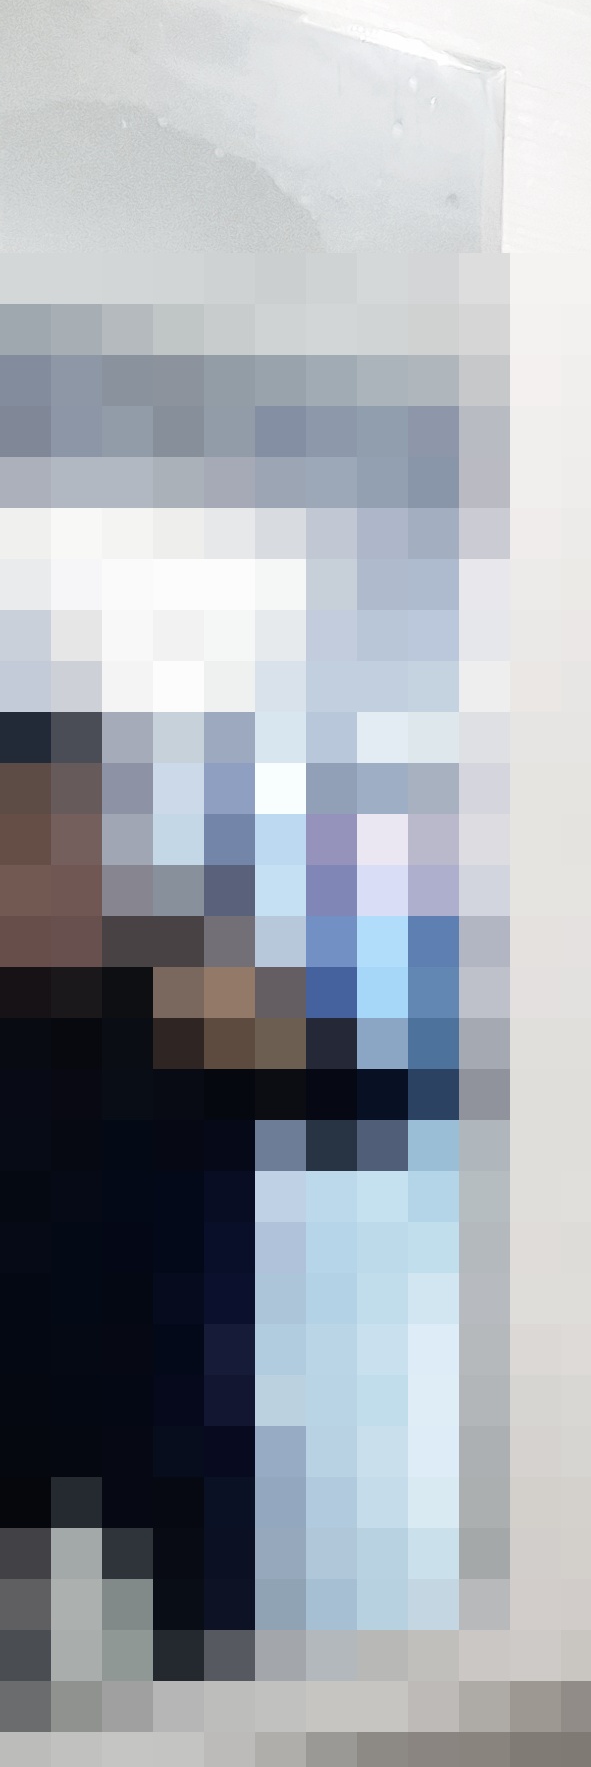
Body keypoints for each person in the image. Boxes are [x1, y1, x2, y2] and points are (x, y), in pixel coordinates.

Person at [0, 709, 423, 1682]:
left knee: (221, 1690)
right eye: (23, 845)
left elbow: (369, 1104)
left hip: (176, 1427)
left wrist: (274, 1017)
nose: (49, 874)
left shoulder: (172, 995)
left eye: (67, 839)